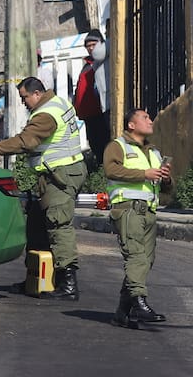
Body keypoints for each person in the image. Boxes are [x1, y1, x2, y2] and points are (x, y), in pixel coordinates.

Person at [0, 77, 87, 300]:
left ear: (37, 94)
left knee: (59, 225)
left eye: (24, 98)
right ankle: (37, 278)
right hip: (57, 173)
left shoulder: (45, 115)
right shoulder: (58, 102)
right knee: (37, 224)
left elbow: (27, 141)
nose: (23, 103)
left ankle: (68, 284)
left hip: (61, 175)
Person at [104, 108, 172, 328]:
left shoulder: (153, 152)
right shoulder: (118, 145)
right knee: (136, 257)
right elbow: (111, 170)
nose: (150, 121)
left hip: (149, 212)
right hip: (128, 209)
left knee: (145, 262)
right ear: (131, 125)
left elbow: (164, 189)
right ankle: (140, 304)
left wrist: (165, 178)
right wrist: (145, 174)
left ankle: (123, 312)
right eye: (145, 117)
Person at [74, 29, 110, 164]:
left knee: (103, 144)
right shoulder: (87, 65)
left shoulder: (102, 63)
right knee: (95, 144)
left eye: (93, 44)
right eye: (88, 46)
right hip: (88, 115)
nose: (90, 48)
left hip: (99, 112)